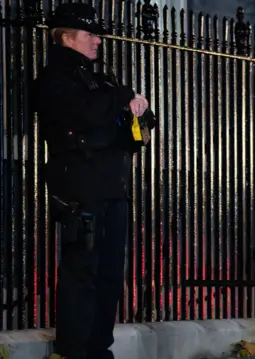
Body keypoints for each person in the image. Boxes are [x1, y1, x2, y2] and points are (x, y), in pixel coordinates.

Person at [32, 3, 157, 359]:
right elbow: (80, 113)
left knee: (109, 275)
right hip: (79, 189)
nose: (98, 41)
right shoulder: (54, 79)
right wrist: (120, 99)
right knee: (82, 272)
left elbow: (139, 129)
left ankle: (99, 349)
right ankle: (75, 351)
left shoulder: (102, 80)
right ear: (67, 38)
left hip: (112, 186)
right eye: (90, 34)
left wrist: (141, 111)